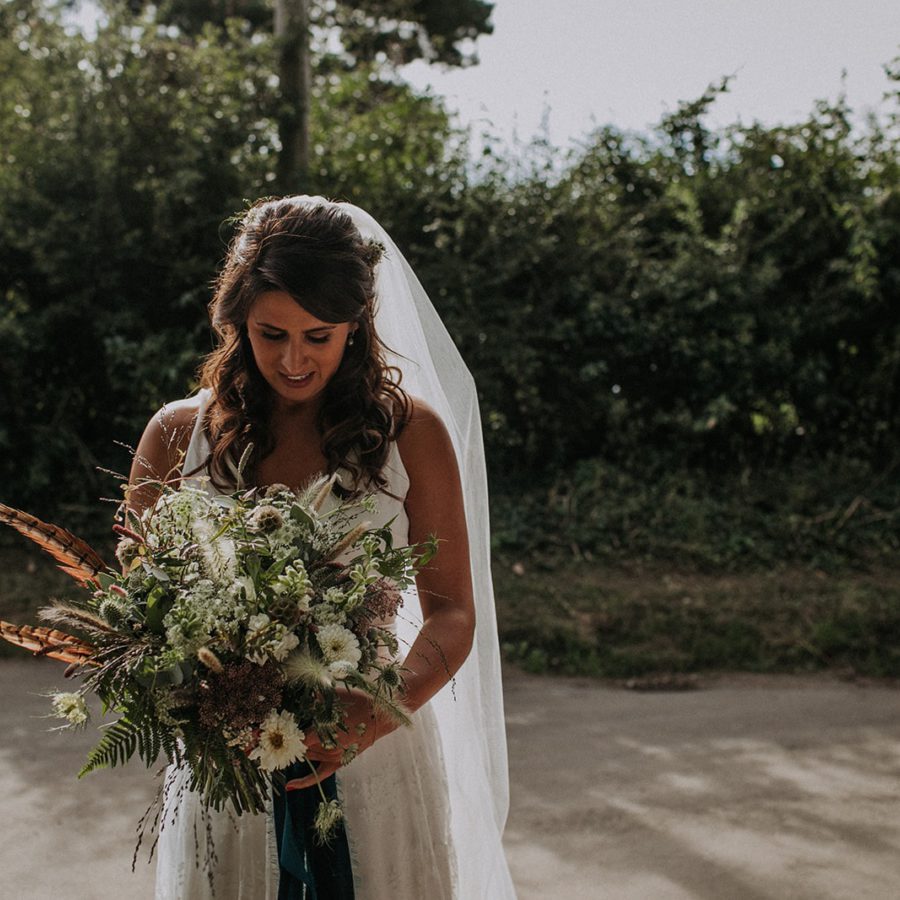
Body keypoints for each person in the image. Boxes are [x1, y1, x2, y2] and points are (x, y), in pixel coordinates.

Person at [127, 196, 516, 899]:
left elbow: (454, 610)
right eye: (272, 333)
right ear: (237, 320)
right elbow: (136, 610)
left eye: (319, 334)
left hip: (375, 759)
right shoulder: (174, 436)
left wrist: (368, 723)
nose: (294, 358)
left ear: (358, 325)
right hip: (229, 774)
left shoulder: (411, 436)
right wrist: (202, 689)